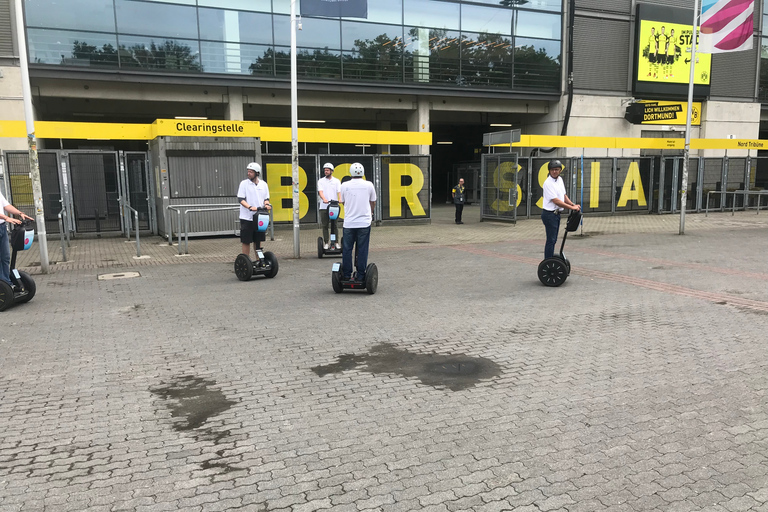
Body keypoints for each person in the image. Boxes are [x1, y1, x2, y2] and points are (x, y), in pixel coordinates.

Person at [339, 162, 376, 282]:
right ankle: (360, 275)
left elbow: (343, 201)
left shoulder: (344, 185)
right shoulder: (369, 185)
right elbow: (373, 201)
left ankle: (346, 275)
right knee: (362, 249)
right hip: (364, 222)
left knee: (347, 249)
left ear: (350, 172)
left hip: (349, 223)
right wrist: (371, 212)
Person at [541, 160, 580, 259]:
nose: (554, 172)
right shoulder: (548, 183)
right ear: (549, 171)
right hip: (549, 214)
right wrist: (572, 208)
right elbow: (556, 201)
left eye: (557, 170)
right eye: (552, 170)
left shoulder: (560, 180)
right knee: (551, 240)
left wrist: (573, 204)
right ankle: (548, 262)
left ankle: (550, 260)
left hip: (556, 214)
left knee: (554, 240)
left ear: (560, 170)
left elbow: (563, 196)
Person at [237, 162, 271, 258]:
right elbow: (241, 199)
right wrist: (250, 207)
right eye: (248, 171)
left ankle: (259, 260)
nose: (248, 173)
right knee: (246, 240)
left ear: (257, 173)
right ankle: (246, 261)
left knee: (258, 240)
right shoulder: (244, 184)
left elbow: (266, 198)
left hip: (259, 217)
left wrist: (267, 205)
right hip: (247, 217)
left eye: (251, 172)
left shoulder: (263, 184)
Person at [0, 191, 33, 286]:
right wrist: (6, 218)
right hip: (3, 222)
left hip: (2, 227)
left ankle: (6, 283)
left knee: (5, 257)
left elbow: (6, 205)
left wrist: (19, 213)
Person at [317, 162, 341, 249]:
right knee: (325, 225)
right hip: (324, 207)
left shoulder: (336, 181)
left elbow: (339, 192)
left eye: (327, 170)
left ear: (331, 171)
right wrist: (324, 199)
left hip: (334, 206)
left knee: (334, 225)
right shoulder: (321, 181)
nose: (326, 172)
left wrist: (340, 199)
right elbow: (320, 192)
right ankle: (326, 242)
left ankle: (336, 242)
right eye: (325, 170)